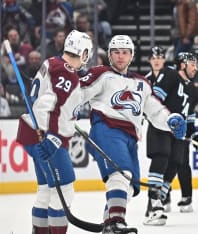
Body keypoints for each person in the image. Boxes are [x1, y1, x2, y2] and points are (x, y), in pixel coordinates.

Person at [80, 36, 187, 233]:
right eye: (116, 52)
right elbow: (77, 93)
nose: (120, 57)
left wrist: (171, 120)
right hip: (106, 129)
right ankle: (116, 222)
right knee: (121, 174)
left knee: (129, 187)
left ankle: (109, 222)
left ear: (131, 56)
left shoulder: (142, 83)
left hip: (130, 138)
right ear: (109, 54)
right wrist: (58, 112)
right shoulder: (101, 74)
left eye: (125, 52)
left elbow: (155, 111)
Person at [15, 30, 93, 234]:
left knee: (46, 190)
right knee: (64, 189)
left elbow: (52, 102)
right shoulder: (66, 72)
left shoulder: (53, 62)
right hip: (46, 137)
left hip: (33, 133)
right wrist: (54, 138)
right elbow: (46, 105)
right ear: (83, 52)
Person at [144, 50, 198, 225]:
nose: (196, 68)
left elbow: (189, 120)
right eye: (192, 64)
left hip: (177, 132)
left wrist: (197, 136)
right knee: (161, 157)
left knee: (176, 161)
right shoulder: (170, 75)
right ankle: (154, 205)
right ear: (182, 64)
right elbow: (154, 100)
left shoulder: (191, 88)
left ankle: (160, 197)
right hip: (161, 126)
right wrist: (166, 118)